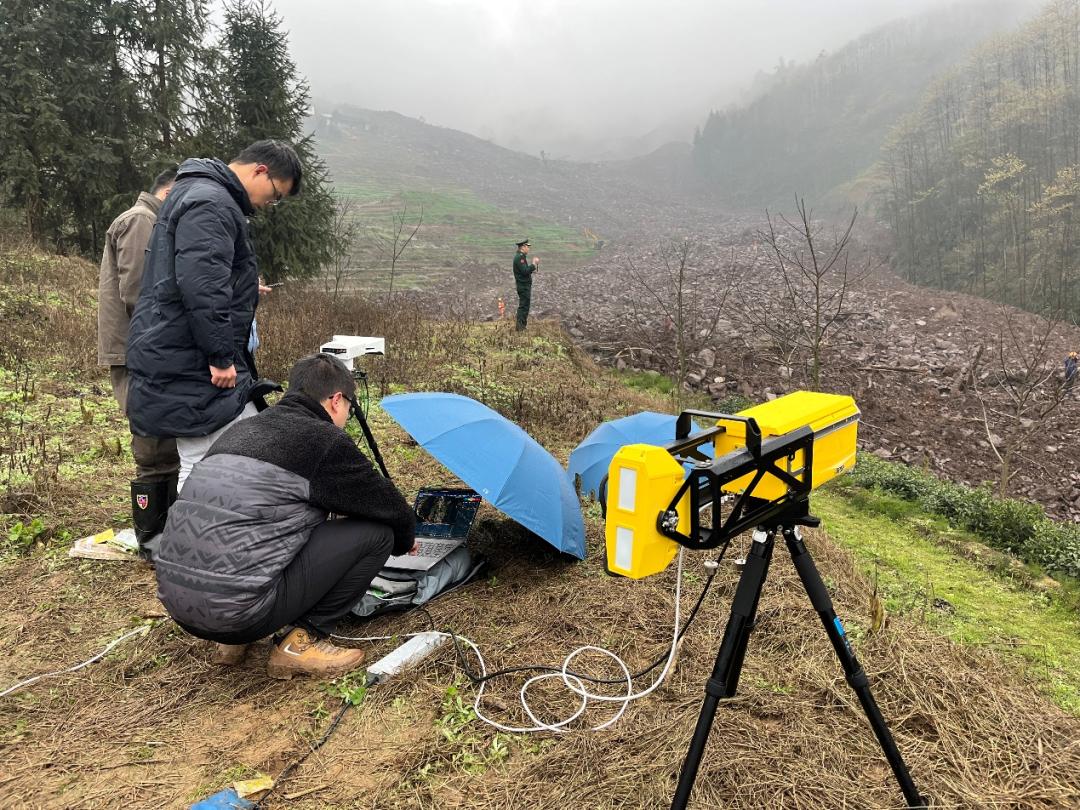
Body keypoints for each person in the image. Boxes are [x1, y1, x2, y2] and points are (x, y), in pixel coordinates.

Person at [155, 353, 418, 679]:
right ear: (336, 400)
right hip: (239, 614)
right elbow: (387, 506)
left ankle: (233, 641)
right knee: (379, 535)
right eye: (349, 406)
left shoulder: (240, 430)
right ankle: (300, 642)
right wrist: (406, 538)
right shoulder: (323, 440)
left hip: (179, 605)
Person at [126, 140, 302, 499]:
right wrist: (220, 357)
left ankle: (216, 530)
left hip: (180, 348)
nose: (271, 205)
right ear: (260, 171)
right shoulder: (211, 202)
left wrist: (242, 285)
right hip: (191, 357)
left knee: (246, 441)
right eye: (275, 194)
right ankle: (192, 543)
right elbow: (201, 286)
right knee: (200, 455)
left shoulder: (200, 193)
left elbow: (193, 272)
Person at [96, 167, 181, 557]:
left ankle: (165, 535)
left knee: (161, 441)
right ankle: (153, 541)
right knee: (153, 446)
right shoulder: (141, 221)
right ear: (169, 191)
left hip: (143, 349)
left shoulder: (148, 219)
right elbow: (140, 293)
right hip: (138, 352)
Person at [512, 238, 540, 331]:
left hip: (524, 285)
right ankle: (520, 327)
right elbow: (524, 271)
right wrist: (533, 264)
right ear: (523, 247)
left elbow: (524, 271)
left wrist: (532, 269)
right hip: (523, 286)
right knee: (523, 306)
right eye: (528, 246)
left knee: (525, 305)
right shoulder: (519, 257)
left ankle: (522, 326)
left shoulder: (521, 256)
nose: (529, 248)